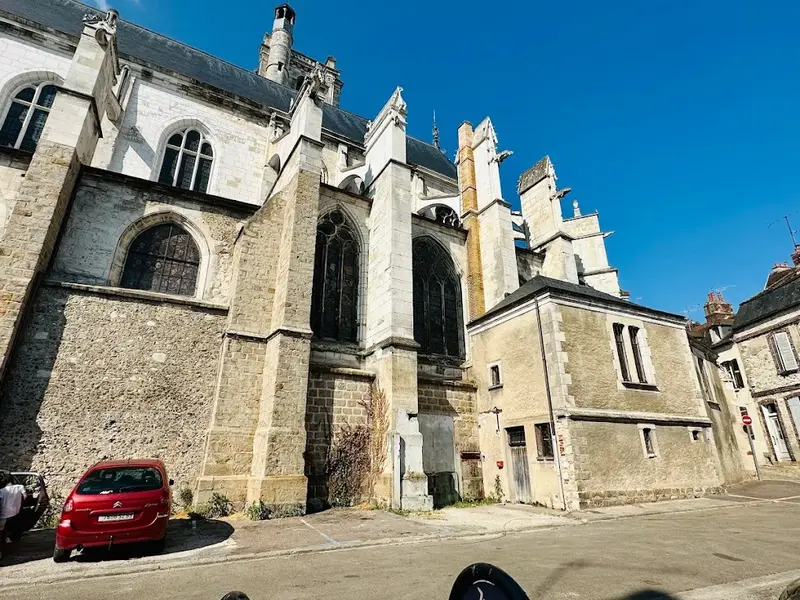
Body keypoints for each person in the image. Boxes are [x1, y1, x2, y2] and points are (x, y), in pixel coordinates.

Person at [0, 470, 27, 558]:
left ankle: (3, 546)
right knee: (12, 527)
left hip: (4, 514)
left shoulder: (2, 491)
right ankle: (9, 540)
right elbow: (25, 496)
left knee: (1, 530)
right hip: (15, 512)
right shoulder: (20, 487)